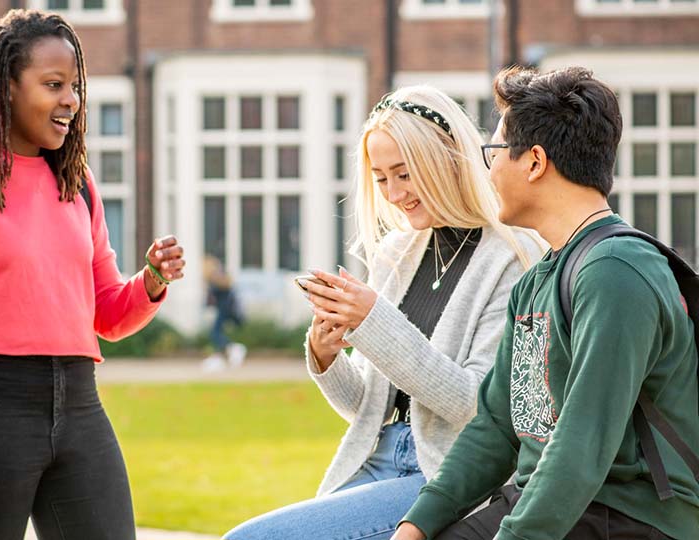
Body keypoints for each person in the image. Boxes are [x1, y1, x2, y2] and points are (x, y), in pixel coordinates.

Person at [0, 9, 186, 540]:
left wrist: (150, 282)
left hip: (78, 404)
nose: (70, 100)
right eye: (53, 85)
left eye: (74, 86)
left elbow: (107, 315)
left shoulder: (78, 185)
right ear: (5, 87)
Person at [223, 86, 543, 540]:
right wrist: (326, 356)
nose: (393, 193)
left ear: (446, 159)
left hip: (443, 475)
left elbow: (478, 407)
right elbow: (365, 406)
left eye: (404, 174)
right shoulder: (397, 253)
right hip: (377, 456)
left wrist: (376, 322)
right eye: (381, 178)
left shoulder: (510, 256)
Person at [393, 67, 699, 540]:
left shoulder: (615, 273)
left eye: (494, 152)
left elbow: (582, 444)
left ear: (534, 163)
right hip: (551, 501)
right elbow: (497, 425)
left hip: (630, 514)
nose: (488, 170)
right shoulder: (539, 279)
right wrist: (416, 525)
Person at [202, 255, 247, 371]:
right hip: (223, 309)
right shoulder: (215, 278)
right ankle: (220, 356)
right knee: (216, 333)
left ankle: (233, 348)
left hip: (226, 309)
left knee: (215, 333)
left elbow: (224, 289)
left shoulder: (217, 277)